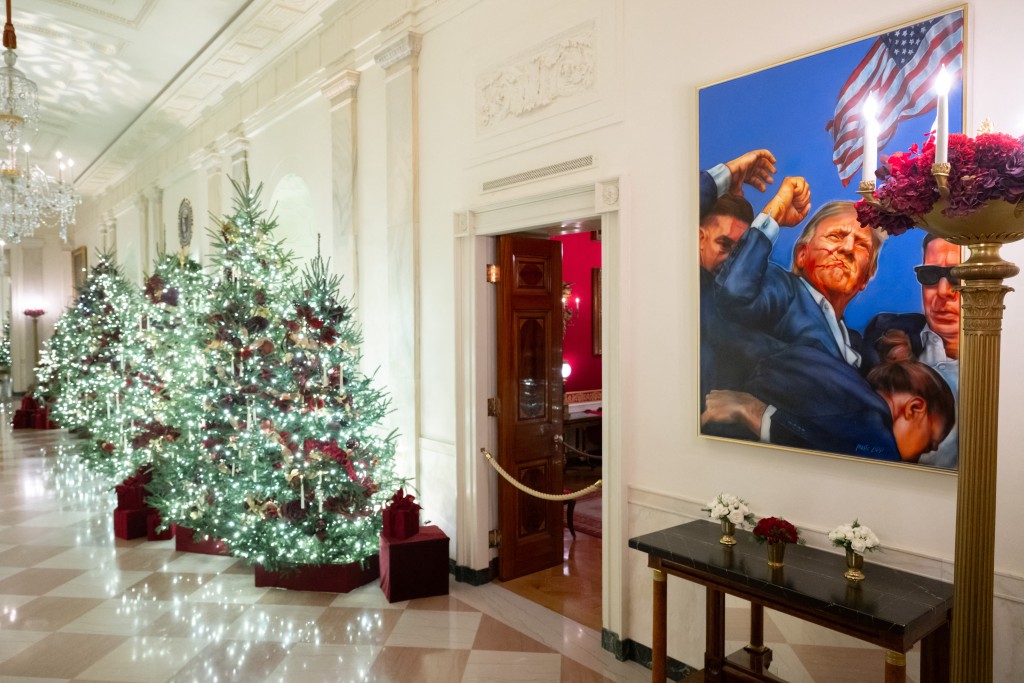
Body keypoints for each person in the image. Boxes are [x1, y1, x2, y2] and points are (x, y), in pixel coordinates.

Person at [701, 329, 955, 463]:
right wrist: (754, 411)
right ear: (915, 408)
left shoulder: (838, 376)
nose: (918, 457)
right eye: (928, 443)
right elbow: (815, 441)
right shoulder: (879, 434)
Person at [715, 198, 883, 369]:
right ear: (802, 255)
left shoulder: (856, 345)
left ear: (865, 278)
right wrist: (775, 214)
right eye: (834, 236)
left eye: (862, 245)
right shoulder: (784, 289)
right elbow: (736, 294)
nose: (848, 248)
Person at [861, 234, 961, 468]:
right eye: (930, 275)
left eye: (958, 276)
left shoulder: (1006, 366)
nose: (943, 291)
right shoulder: (883, 333)